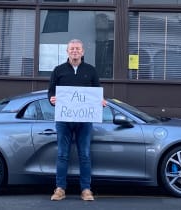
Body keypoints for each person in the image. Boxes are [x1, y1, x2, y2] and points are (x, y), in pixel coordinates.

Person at [47, 39, 105, 201]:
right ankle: (60, 189)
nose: (74, 51)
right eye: (72, 49)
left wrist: (100, 102)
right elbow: (51, 91)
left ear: (82, 52)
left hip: (84, 121)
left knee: (85, 155)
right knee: (62, 154)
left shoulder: (90, 71)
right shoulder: (58, 71)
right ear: (67, 51)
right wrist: (51, 99)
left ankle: (86, 190)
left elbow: (96, 93)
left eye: (77, 49)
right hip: (64, 120)